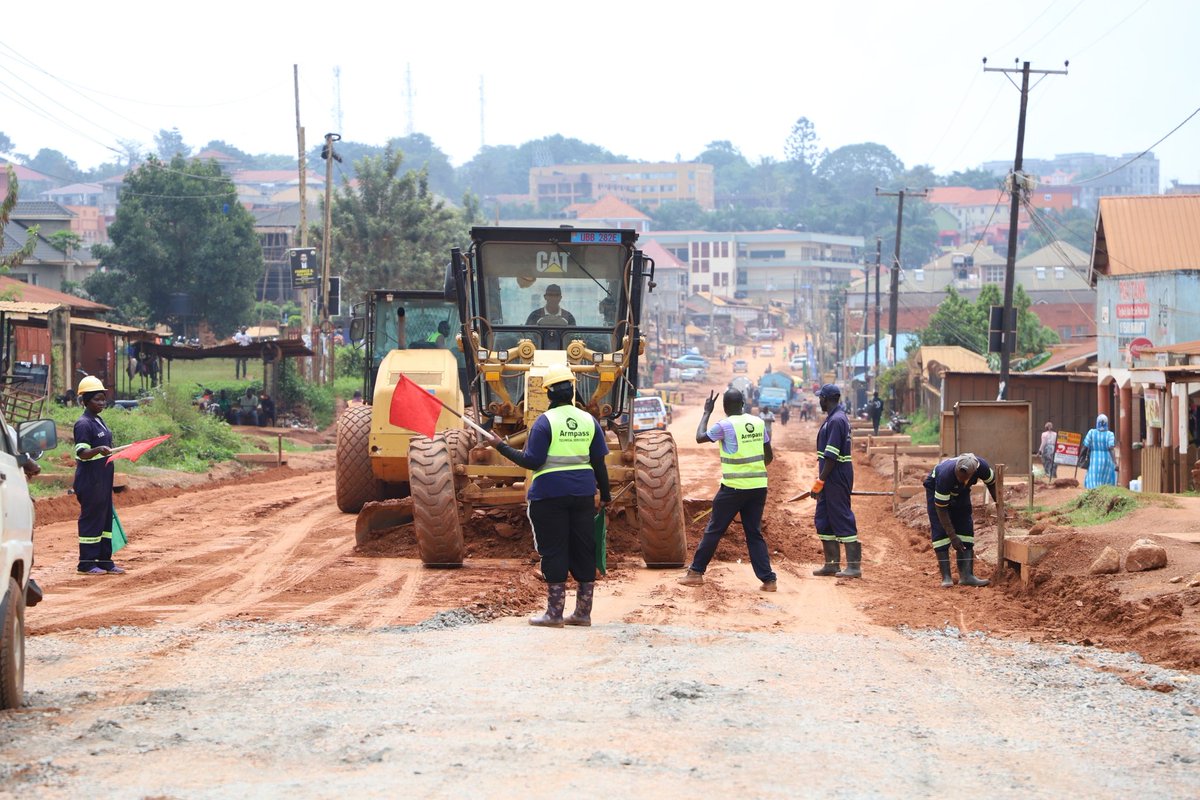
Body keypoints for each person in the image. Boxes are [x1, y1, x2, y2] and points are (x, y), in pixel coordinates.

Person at [485, 364, 610, 627]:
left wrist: (501, 446)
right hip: (583, 495)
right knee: (584, 550)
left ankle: (554, 614)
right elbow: (599, 464)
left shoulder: (544, 422)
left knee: (554, 550)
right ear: (573, 391)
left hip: (549, 496)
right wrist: (606, 495)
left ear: (549, 395)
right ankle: (583, 613)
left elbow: (532, 461)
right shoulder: (590, 421)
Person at [679, 388, 778, 592]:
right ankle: (769, 580)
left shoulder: (724, 425)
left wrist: (707, 412)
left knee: (714, 530)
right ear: (743, 403)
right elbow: (768, 457)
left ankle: (696, 573)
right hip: (758, 487)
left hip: (733, 488)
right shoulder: (759, 423)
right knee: (754, 534)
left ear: (724, 407)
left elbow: (699, 437)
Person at [810, 384, 862, 578]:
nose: (819, 401)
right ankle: (831, 564)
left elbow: (831, 455)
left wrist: (820, 481)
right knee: (824, 517)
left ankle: (854, 567)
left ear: (826, 398)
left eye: (820, 398)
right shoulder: (834, 418)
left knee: (840, 515)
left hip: (836, 474)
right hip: (830, 475)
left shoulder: (837, 420)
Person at [73, 376, 123, 575]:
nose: (102, 403)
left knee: (104, 521)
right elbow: (81, 453)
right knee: (91, 520)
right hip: (90, 481)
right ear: (85, 401)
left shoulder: (98, 420)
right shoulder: (83, 424)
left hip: (103, 481)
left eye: (103, 399)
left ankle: (104, 560)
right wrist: (98, 449)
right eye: (97, 399)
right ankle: (86, 562)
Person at [924, 452, 997, 588]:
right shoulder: (945, 476)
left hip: (961, 492)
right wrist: (952, 536)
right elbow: (941, 509)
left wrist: (1000, 505)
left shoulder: (983, 468)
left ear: (973, 473)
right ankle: (946, 577)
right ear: (956, 469)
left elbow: (993, 484)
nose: (959, 479)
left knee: (965, 525)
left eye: (963, 478)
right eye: (958, 477)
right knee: (940, 529)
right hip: (936, 489)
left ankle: (966, 576)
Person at [1082, 414, 1117, 489]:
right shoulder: (1110, 434)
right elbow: (1111, 449)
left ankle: (1093, 493)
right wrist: (1115, 462)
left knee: (1093, 477)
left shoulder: (1091, 432)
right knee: (1106, 479)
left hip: (1094, 459)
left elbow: (1085, 446)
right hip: (1107, 460)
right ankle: (1104, 495)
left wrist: (1080, 456)